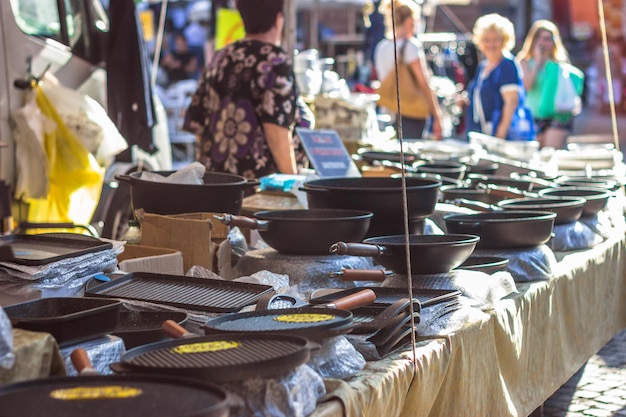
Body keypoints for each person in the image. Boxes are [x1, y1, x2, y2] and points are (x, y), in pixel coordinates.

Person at [183, 0, 306, 179]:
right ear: (279, 19)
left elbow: (197, 123)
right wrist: (294, 182)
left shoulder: (220, 58)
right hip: (259, 188)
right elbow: (276, 131)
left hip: (216, 183)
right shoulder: (275, 61)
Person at [373, 0, 443, 139]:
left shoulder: (381, 47)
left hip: (387, 111)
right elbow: (424, 83)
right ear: (410, 21)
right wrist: (437, 116)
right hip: (410, 113)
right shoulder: (410, 46)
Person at [517, 20, 576, 148]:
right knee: (537, 157)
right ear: (534, 40)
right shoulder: (525, 62)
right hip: (533, 117)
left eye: (549, 39)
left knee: (550, 153)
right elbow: (527, 86)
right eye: (542, 38)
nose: (545, 43)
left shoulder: (559, 64)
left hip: (557, 115)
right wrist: (538, 62)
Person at [465, 13, 524, 140]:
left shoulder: (507, 65)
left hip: (501, 137)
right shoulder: (482, 67)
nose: (491, 44)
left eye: (496, 39)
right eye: (486, 39)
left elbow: (512, 102)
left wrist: (500, 135)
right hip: (482, 134)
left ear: (504, 40)